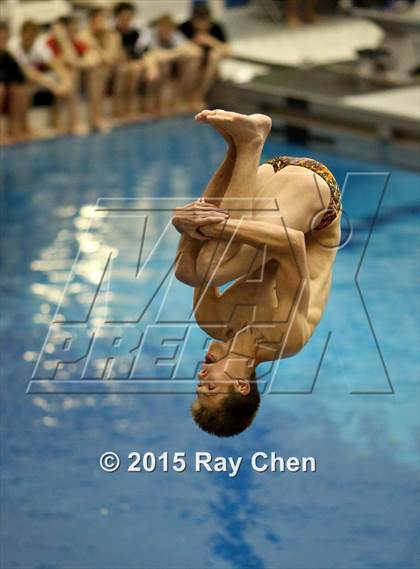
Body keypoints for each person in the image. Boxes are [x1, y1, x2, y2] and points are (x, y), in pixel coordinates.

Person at [172, 110, 341, 437]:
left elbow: (197, 238)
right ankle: (249, 143)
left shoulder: (210, 319)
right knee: (212, 265)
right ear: (241, 386)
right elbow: (292, 245)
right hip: (315, 193)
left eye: (198, 389)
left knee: (190, 271)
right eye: (209, 391)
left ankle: (236, 148)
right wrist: (215, 226)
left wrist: (183, 223)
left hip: (268, 178)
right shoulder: (284, 339)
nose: (200, 380)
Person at [8, 20, 74, 137]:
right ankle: (22, 126)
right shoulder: (12, 46)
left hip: (35, 80)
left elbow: (57, 66)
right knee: (25, 85)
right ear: (22, 34)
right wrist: (54, 87)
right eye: (28, 36)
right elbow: (27, 72)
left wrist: (65, 83)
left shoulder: (39, 45)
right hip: (16, 80)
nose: (31, 40)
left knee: (66, 79)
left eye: (33, 36)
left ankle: (61, 123)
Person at [145, 14, 202, 115]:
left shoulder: (175, 35)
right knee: (162, 67)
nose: (166, 32)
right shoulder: (150, 35)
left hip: (173, 65)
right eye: (163, 29)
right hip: (148, 68)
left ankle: (184, 98)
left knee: (192, 63)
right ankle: (158, 103)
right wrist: (178, 53)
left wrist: (171, 54)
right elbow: (152, 55)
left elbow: (196, 51)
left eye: (168, 29)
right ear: (158, 28)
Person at [77, 7, 123, 130]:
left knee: (123, 71)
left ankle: (118, 112)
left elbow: (111, 57)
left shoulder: (111, 35)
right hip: (84, 74)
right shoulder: (83, 35)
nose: (102, 23)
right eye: (99, 20)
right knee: (97, 71)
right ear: (91, 21)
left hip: (108, 70)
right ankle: (95, 117)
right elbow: (97, 57)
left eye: (104, 20)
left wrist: (109, 37)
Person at [113, 2, 159, 119]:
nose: (127, 20)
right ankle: (121, 109)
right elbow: (118, 55)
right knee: (129, 70)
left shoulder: (136, 33)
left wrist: (147, 65)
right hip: (117, 65)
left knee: (140, 68)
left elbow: (144, 51)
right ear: (118, 17)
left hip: (134, 63)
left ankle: (136, 107)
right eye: (124, 17)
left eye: (129, 17)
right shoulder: (113, 33)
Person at [179, 3, 231, 104]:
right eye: (198, 22)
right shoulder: (184, 28)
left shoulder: (216, 27)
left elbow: (229, 52)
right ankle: (186, 97)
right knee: (194, 58)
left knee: (214, 55)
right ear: (193, 20)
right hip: (186, 65)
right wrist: (192, 44)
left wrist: (210, 41)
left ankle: (199, 95)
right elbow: (177, 49)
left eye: (204, 21)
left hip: (208, 66)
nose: (201, 25)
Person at [0, 21, 26, 143]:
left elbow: (19, 78)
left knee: (19, 89)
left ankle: (14, 129)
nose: (3, 41)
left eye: (5, 38)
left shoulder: (8, 56)